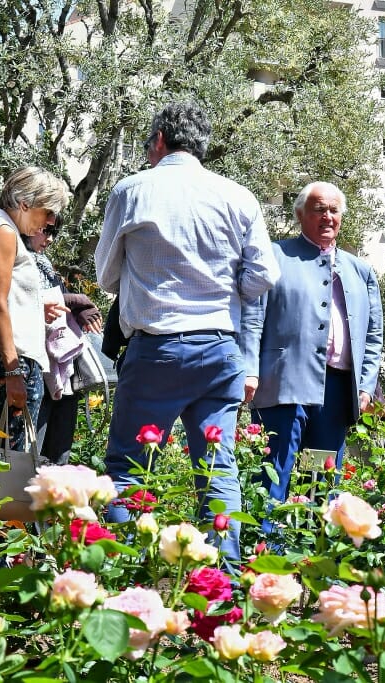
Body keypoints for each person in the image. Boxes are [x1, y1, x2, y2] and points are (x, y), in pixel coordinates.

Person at [95, 102, 280, 563]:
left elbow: (105, 275)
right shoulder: (238, 196)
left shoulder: (132, 190)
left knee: (129, 468)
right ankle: (224, 581)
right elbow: (263, 277)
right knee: (218, 469)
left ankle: (127, 575)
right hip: (219, 347)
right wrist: (222, 287)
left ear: (159, 140)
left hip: (156, 347)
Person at [241, 182, 383, 532]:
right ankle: (264, 560)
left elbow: (373, 335)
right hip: (284, 384)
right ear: (300, 214)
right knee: (274, 476)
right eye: (319, 209)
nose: (328, 216)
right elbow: (252, 317)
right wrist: (249, 370)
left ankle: (311, 561)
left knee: (320, 482)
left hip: (335, 394)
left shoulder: (359, 270)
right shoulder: (275, 255)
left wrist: (365, 385)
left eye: (334, 210)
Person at [0, 167, 70, 450]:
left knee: (7, 449)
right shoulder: (6, 233)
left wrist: (37, 306)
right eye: (47, 211)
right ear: (24, 203)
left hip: (6, 356)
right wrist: (13, 372)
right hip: (14, 359)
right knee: (15, 453)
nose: (50, 220)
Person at [23, 223, 103, 464]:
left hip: (61, 362)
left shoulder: (42, 261)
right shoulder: (15, 253)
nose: (49, 239)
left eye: (53, 233)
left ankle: (54, 495)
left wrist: (73, 309)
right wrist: (71, 299)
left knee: (59, 444)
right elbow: (16, 298)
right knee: (31, 446)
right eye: (45, 230)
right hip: (33, 359)